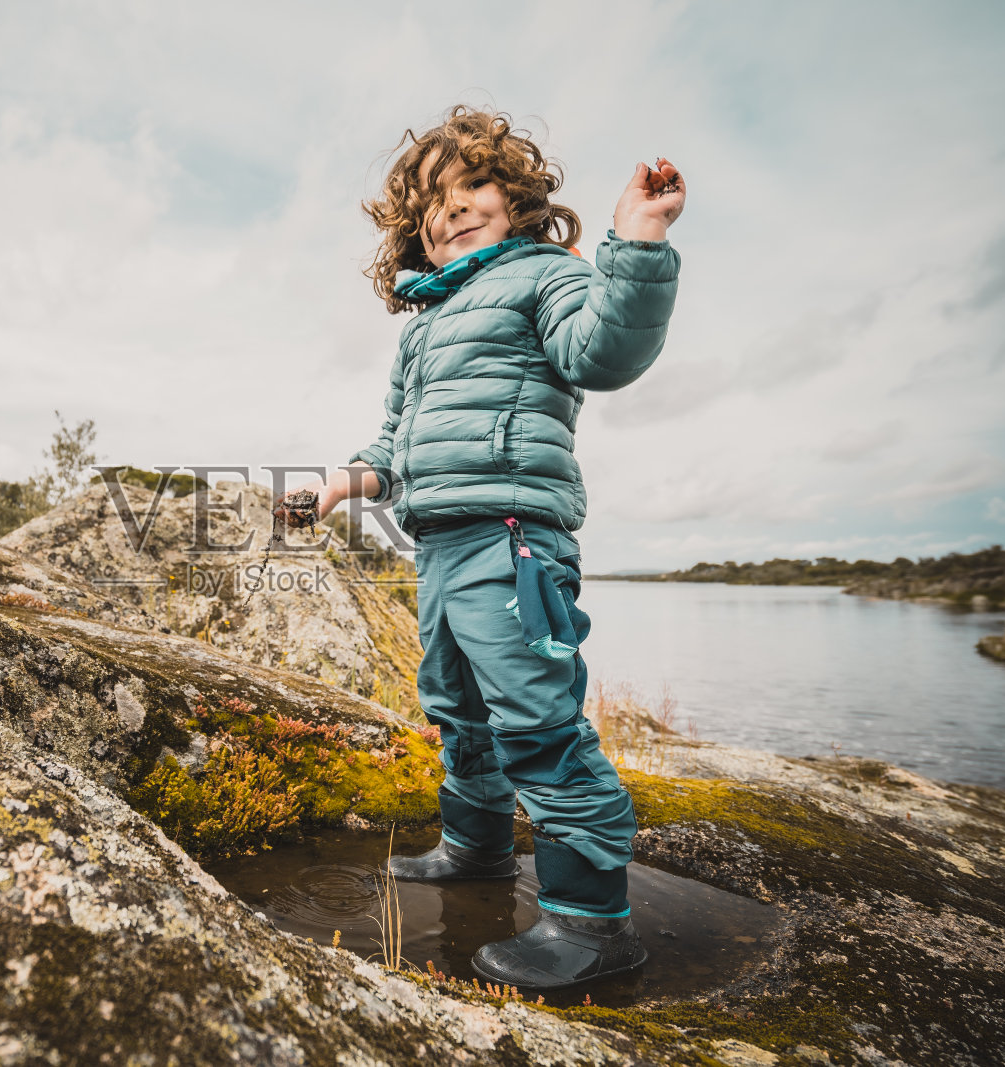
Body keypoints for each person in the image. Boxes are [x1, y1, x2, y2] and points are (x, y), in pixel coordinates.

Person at [276, 106, 684, 991]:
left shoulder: (546, 274)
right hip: (440, 546)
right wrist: (338, 484)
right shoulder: (421, 325)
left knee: (535, 716)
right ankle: (475, 849)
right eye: (433, 204)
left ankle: (591, 919)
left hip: (513, 539)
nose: (454, 210)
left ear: (514, 194)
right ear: (412, 232)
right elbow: (394, 442)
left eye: (472, 188)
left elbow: (603, 351)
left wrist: (638, 243)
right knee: (456, 706)